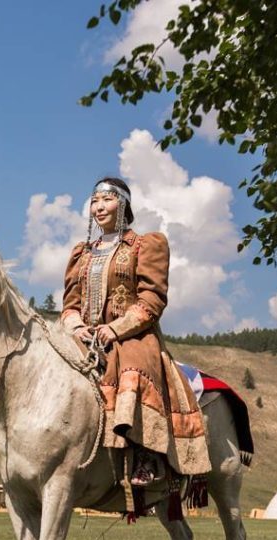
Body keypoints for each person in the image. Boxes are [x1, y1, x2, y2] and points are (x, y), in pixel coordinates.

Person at [61, 178, 206, 486]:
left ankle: (147, 454)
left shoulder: (147, 244)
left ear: (123, 204)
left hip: (133, 334)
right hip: (86, 337)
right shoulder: (81, 253)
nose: (99, 206)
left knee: (133, 369)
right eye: (94, 200)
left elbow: (152, 298)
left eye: (107, 199)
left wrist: (115, 329)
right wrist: (76, 327)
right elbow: (70, 304)